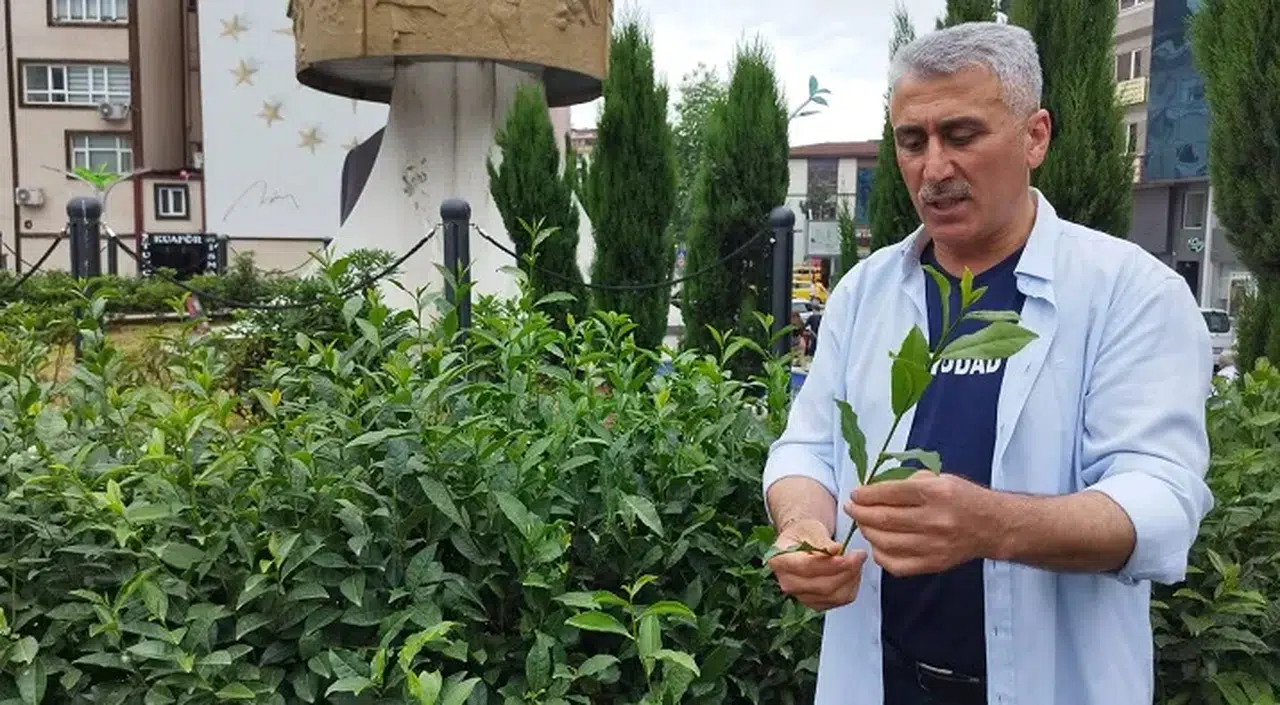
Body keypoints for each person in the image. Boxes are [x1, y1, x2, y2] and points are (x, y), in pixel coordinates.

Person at [761, 22, 1212, 705]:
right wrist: (800, 526)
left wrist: (994, 525)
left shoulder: (1131, 293)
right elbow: (809, 446)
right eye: (912, 141)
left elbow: (1161, 501)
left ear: (1035, 136)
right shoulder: (863, 293)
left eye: (962, 135)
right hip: (878, 682)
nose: (934, 168)